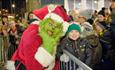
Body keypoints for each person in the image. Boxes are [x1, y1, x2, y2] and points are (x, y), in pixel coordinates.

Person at [10, 5, 69, 70]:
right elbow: (32, 65)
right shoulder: (33, 33)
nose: (53, 28)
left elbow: (53, 58)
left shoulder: (51, 36)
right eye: (50, 24)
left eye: (57, 27)